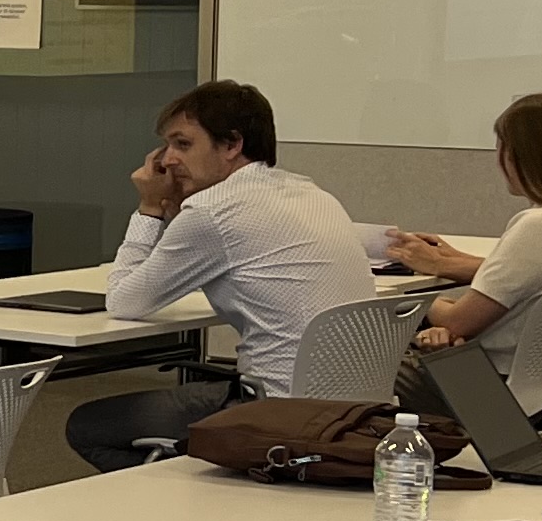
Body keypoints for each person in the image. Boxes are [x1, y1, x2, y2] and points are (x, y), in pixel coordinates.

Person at [61, 80, 368, 469]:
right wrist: (178, 213)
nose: (168, 160)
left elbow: (124, 301)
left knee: (87, 425)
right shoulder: (313, 194)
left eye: (183, 144)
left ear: (231, 145)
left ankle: (192, 496)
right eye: (167, 146)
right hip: (354, 410)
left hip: (274, 412)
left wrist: (149, 208)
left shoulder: (213, 211)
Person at [389, 90, 542, 400]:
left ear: (518, 155)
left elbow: (459, 322)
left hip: (485, 383)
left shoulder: (540, 226)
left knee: (351, 368)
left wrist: (407, 301)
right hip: (533, 383)